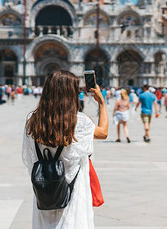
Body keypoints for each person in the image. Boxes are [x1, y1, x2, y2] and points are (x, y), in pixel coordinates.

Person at [22, 70, 108, 229]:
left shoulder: (33, 120)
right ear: (71, 93)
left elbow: (29, 157)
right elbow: (103, 132)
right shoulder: (80, 121)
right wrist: (102, 103)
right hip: (73, 188)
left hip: (45, 188)